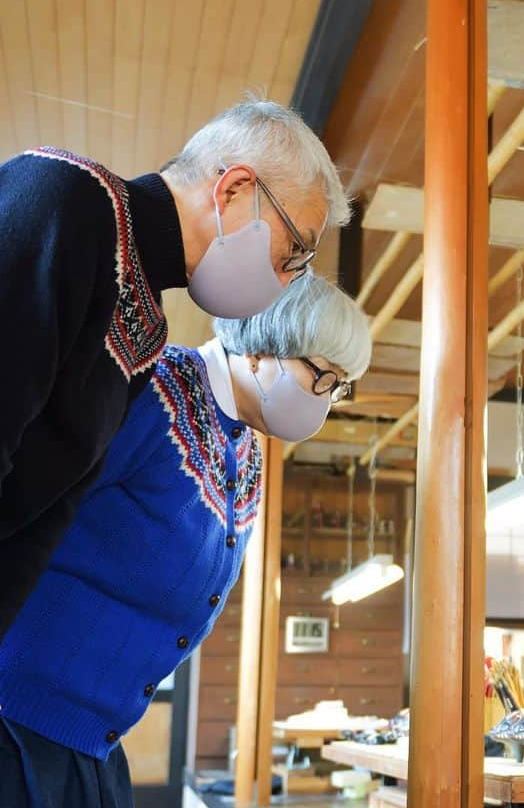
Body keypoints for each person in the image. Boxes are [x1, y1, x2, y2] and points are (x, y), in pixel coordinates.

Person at [0, 274, 370, 808]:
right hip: (21, 721)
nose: (327, 398)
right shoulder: (152, 391)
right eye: (320, 375)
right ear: (264, 349)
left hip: (92, 743)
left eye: (340, 386)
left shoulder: (249, 449)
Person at [0, 98, 350, 636]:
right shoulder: (64, 199)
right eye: (294, 251)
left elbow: (46, 517)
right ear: (234, 189)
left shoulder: (149, 327)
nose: (286, 279)